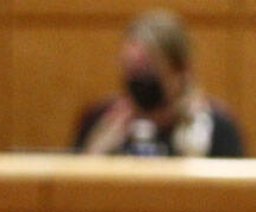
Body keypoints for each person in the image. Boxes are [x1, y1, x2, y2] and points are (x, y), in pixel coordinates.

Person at [73, 9, 244, 158]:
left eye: (149, 70)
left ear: (182, 71)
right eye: (132, 70)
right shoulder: (99, 119)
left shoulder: (217, 128)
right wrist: (95, 154)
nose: (139, 80)